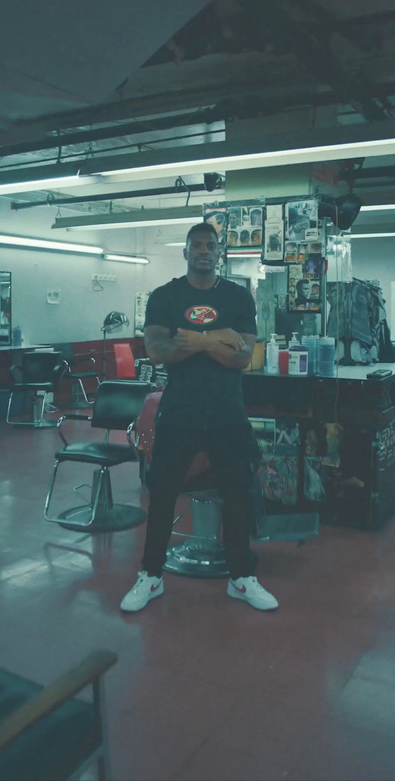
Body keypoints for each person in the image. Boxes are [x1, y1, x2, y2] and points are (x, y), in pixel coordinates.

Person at [121, 222, 278, 613]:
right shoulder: (165, 296)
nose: (204, 251)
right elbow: (157, 351)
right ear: (186, 252)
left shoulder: (239, 298)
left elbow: (242, 357)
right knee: (162, 495)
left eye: (211, 245)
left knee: (237, 495)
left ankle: (240, 578)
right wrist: (219, 337)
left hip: (227, 411)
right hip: (179, 411)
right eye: (197, 245)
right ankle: (151, 576)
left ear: (219, 252)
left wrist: (194, 339)